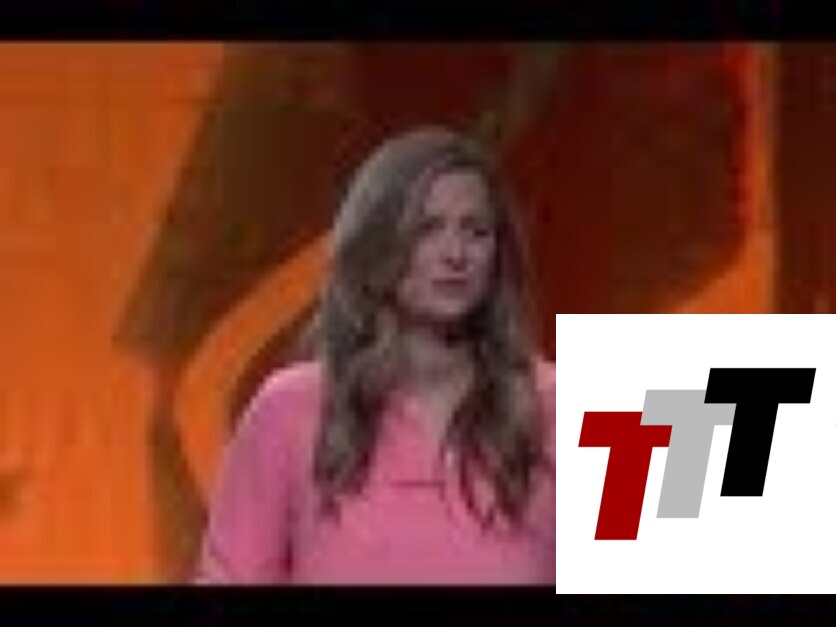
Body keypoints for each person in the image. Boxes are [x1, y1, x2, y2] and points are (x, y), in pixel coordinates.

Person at [193, 125, 555, 585]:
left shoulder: (580, 404)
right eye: (426, 229)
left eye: (476, 231)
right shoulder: (289, 410)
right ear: (376, 243)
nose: (455, 254)